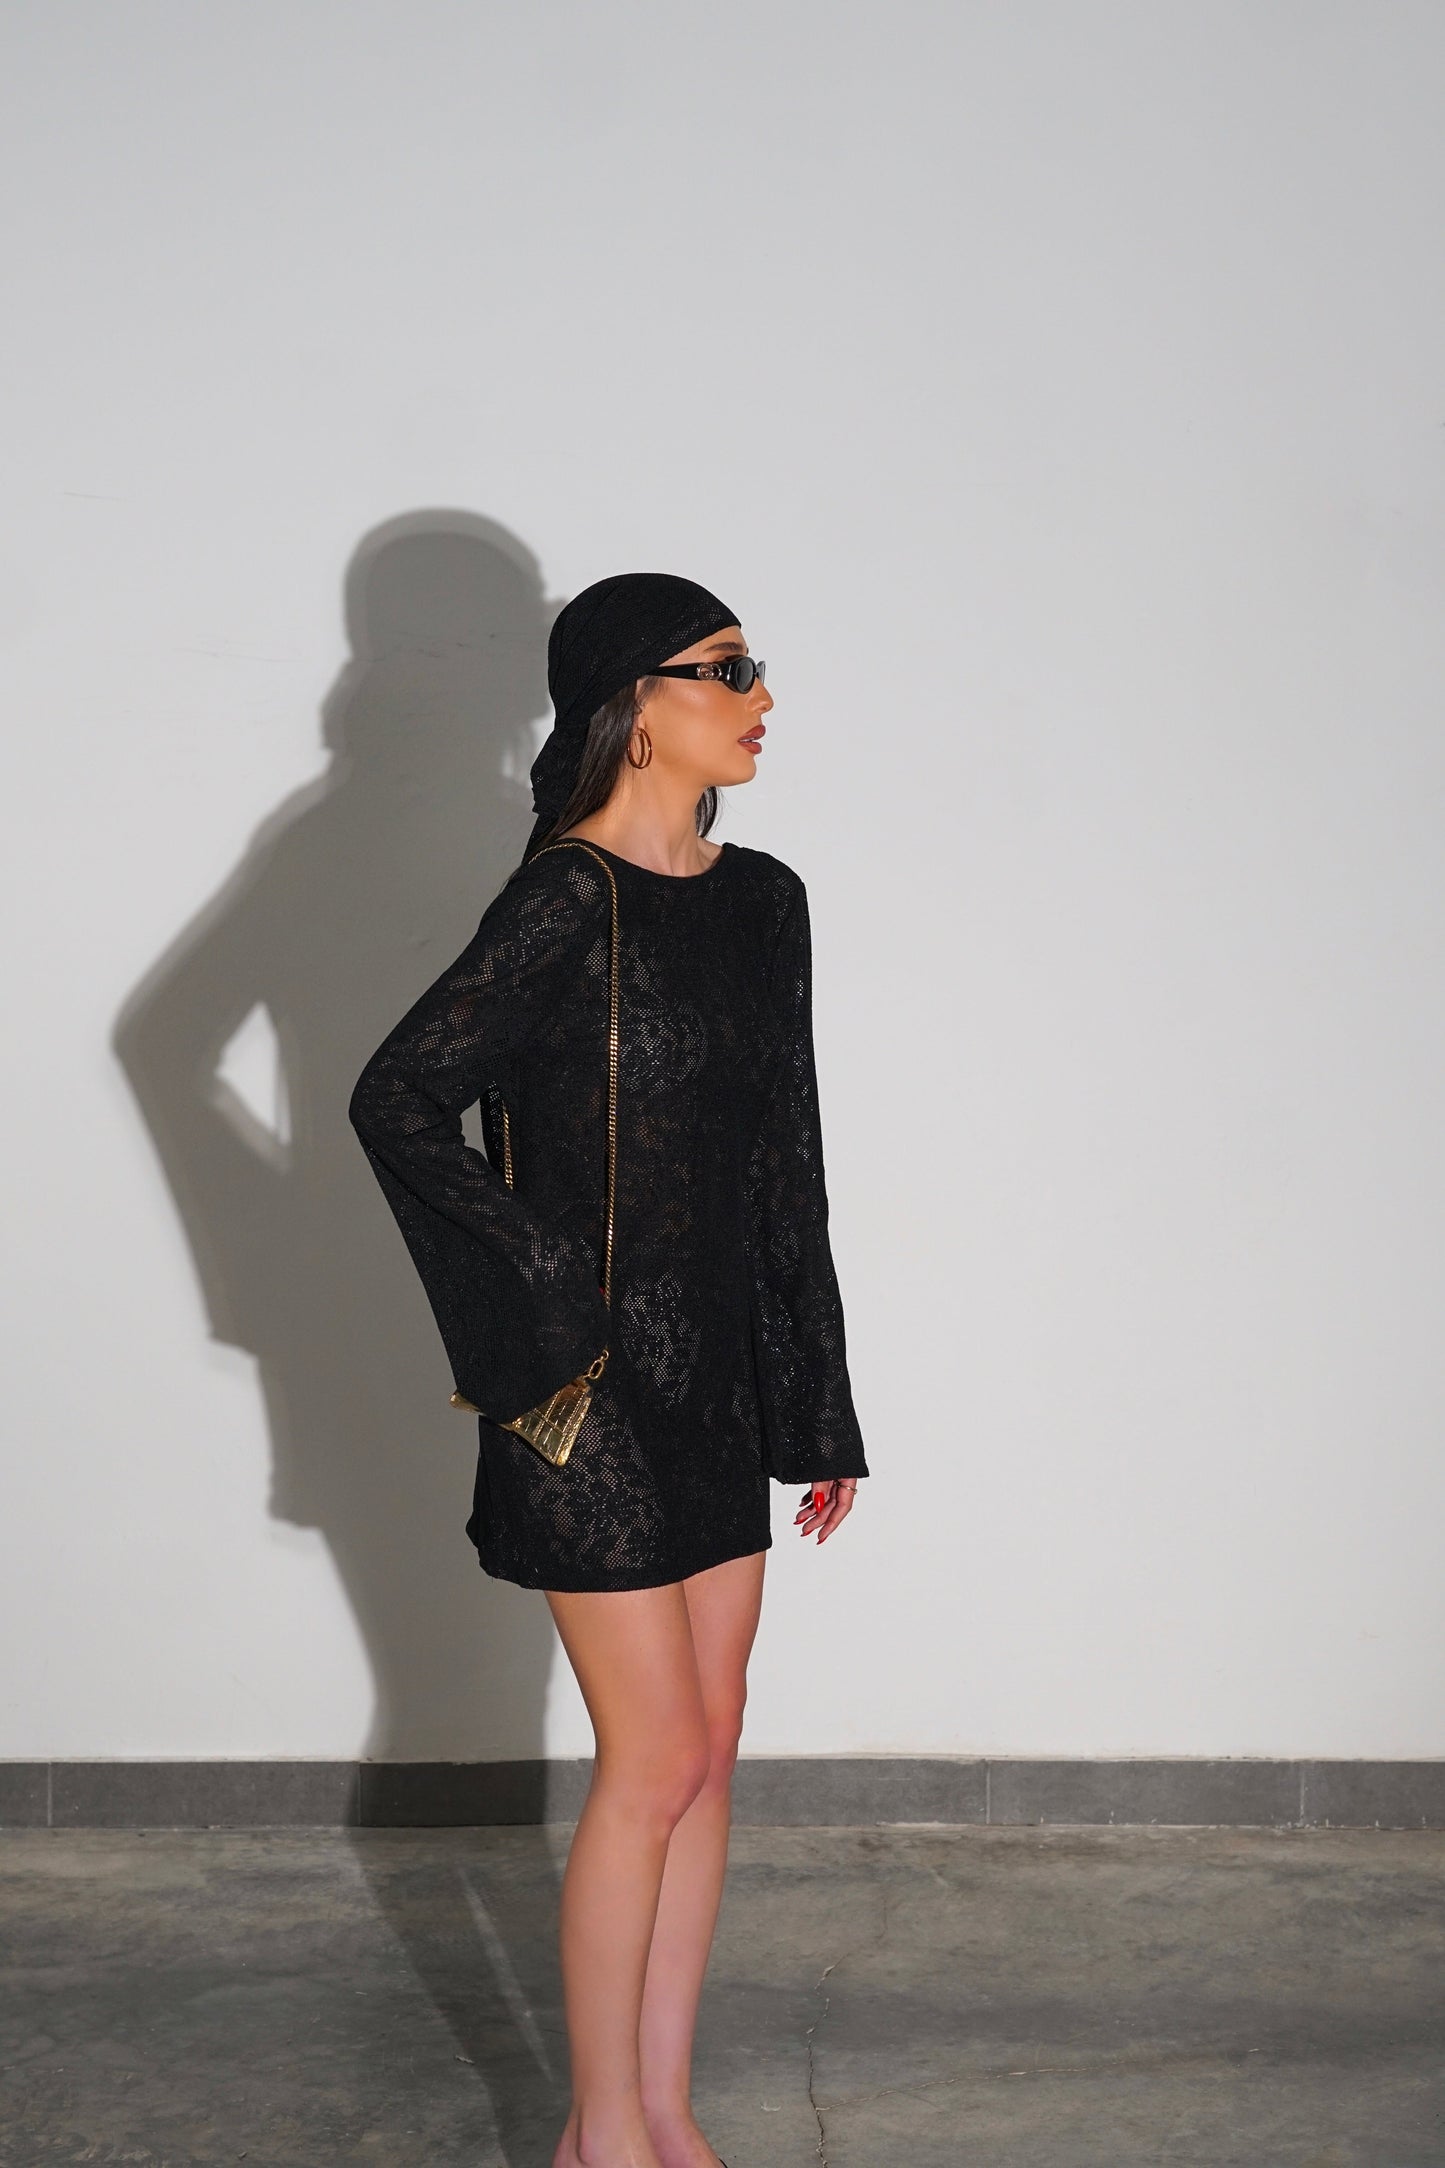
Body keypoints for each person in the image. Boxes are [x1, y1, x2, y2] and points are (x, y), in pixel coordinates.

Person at [348, 571, 868, 2168]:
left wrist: (817, 1401)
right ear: (632, 704)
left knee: (708, 1750)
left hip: (717, 1383)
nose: (760, 697)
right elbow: (398, 1097)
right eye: (726, 669)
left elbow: (786, 1163)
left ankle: (662, 2114)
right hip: (582, 1393)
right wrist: (538, 1287)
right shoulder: (563, 899)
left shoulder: (763, 900)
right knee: (650, 1761)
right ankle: (597, 2136)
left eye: (756, 667)